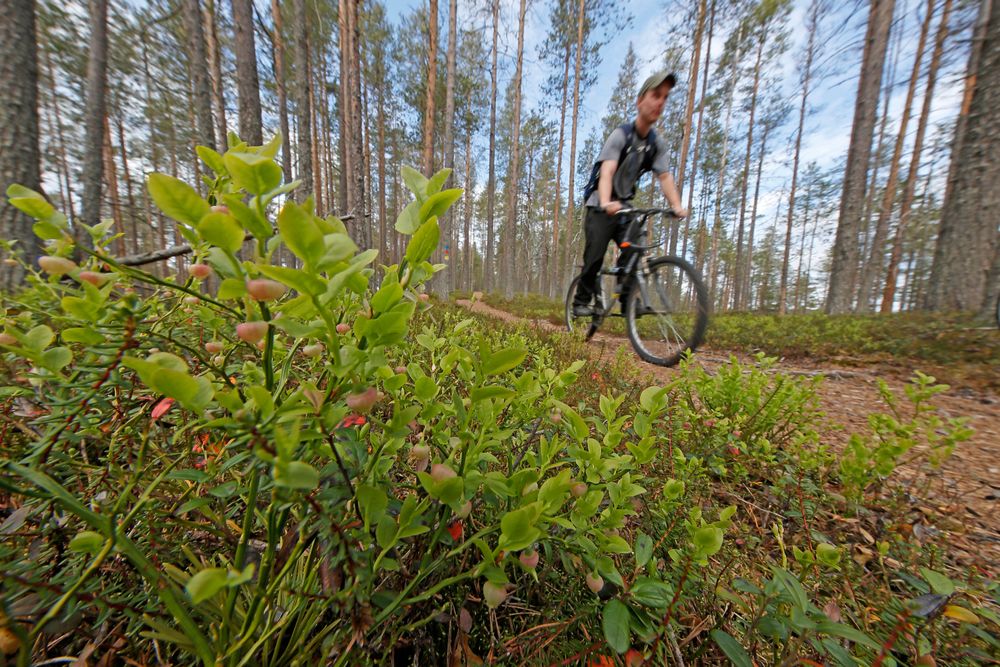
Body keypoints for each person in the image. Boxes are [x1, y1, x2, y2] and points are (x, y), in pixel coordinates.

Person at [571, 70, 689, 317]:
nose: (661, 102)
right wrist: (605, 201)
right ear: (640, 101)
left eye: (665, 98)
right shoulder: (620, 135)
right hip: (599, 204)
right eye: (656, 95)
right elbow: (607, 171)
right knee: (594, 256)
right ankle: (580, 301)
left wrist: (676, 205)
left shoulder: (656, 145)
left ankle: (627, 301)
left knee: (634, 249)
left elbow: (664, 176)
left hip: (623, 206)